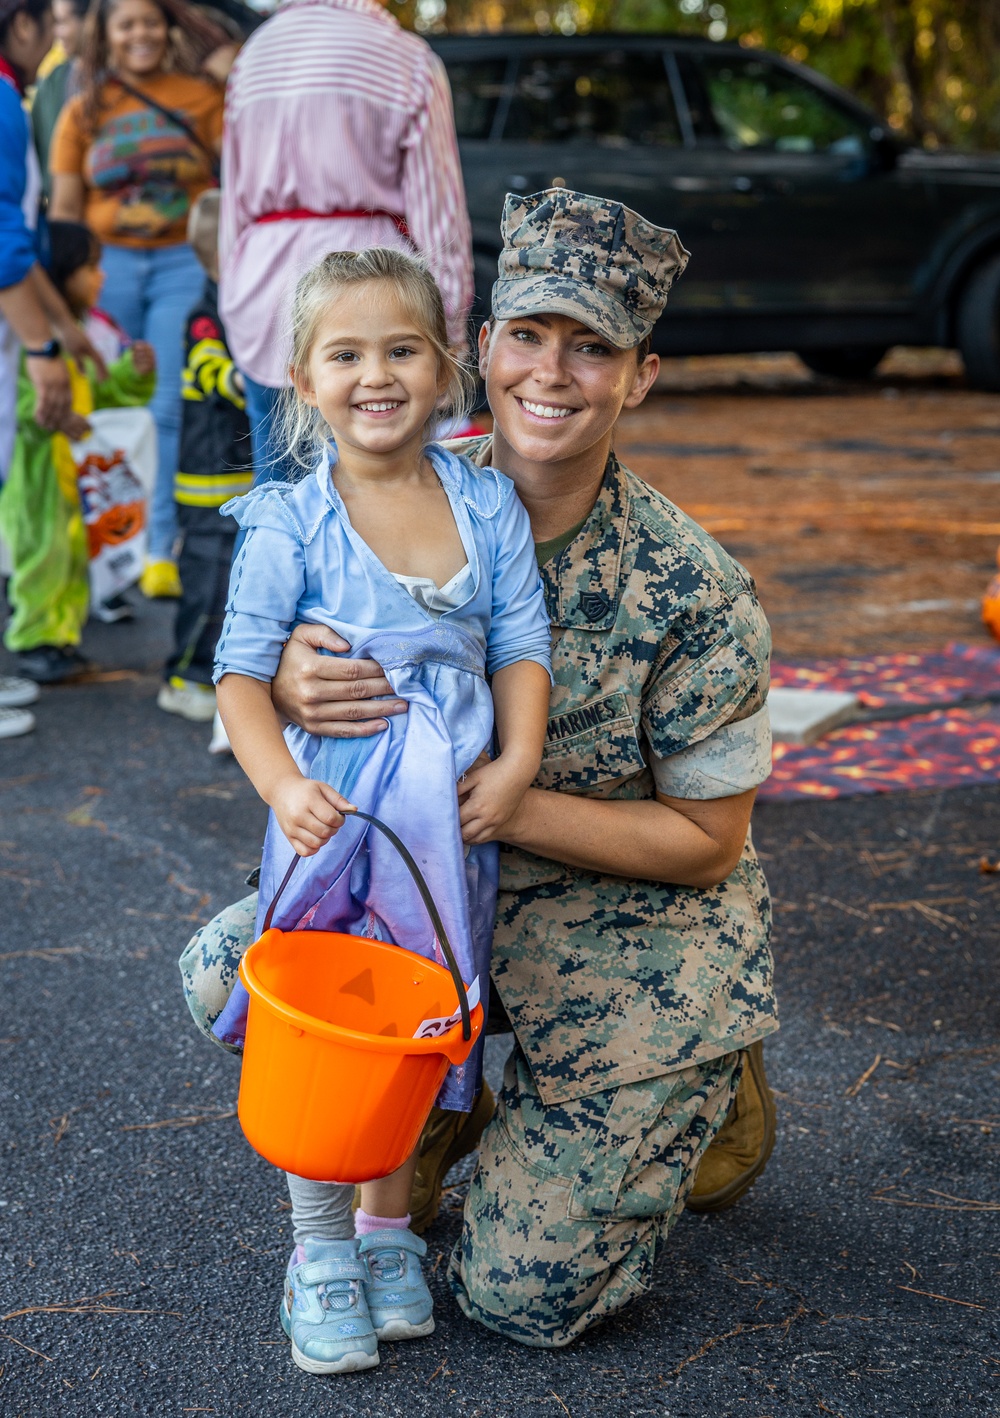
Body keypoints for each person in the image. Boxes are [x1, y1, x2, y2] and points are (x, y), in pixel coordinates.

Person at [181, 189, 778, 1351]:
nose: (552, 373)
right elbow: (254, 659)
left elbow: (705, 843)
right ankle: (450, 1125)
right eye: (529, 335)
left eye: (592, 345)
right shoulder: (386, 483)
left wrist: (508, 796)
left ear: (639, 375)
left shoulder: (696, 587)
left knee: (520, 1295)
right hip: (427, 880)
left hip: (629, 916)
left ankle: (702, 1078)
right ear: (486, 350)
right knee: (232, 977)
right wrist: (295, 680)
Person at [209, 245, 552, 1375]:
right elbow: (241, 676)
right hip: (335, 826)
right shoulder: (288, 522)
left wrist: (515, 765)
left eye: (402, 348)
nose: (377, 374)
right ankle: (316, 1251)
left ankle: (386, 1228)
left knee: (411, 1025)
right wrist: (282, 786)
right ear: (303, 380)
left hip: (444, 834)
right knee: (332, 1033)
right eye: (345, 353)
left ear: (446, 367)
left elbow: (518, 647)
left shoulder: (484, 500)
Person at [217, 0, 473, 483]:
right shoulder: (405, 57)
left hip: (258, 287)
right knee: (375, 491)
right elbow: (438, 213)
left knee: (276, 491)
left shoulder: (254, 56)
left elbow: (233, 199)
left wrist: (232, 290)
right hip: (372, 290)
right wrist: (449, 328)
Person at [48, 0, 229, 598]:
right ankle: (102, 556)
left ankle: (157, 550)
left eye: (150, 20)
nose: (140, 33)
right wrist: (63, 299)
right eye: (127, 23)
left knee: (165, 405)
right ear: (107, 35)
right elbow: (66, 213)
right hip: (107, 269)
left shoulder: (204, 96)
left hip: (182, 261)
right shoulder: (84, 108)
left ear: (168, 27)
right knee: (100, 404)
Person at [0, 219, 156, 681]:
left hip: (74, 481)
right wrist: (50, 416)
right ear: (55, 274)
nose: (101, 276)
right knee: (42, 560)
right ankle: (37, 641)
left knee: (68, 562)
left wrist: (133, 373)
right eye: (90, 266)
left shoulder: (80, 338)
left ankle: (60, 638)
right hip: (40, 482)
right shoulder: (31, 345)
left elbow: (106, 398)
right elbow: (21, 407)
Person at [157, 188, 252, 729]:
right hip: (207, 482)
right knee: (207, 586)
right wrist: (247, 379)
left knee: (233, 585)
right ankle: (183, 677)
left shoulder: (237, 311)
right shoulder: (205, 316)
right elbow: (211, 369)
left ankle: (216, 673)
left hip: (235, 475)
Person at [30, 0, 87, 199]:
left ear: (89, 21)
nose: (56, 32)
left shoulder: (119, 82)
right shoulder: (51, 83)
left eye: (62, 22)